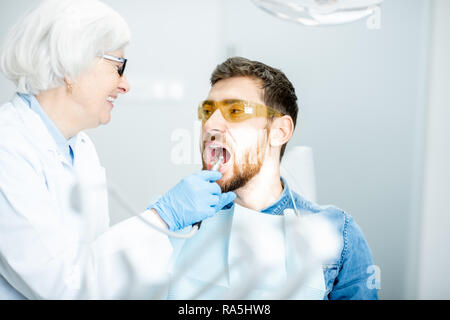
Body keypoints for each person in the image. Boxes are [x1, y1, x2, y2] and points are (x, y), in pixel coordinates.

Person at [0, 0, 235, 299]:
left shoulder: (80, 147)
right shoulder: (8, 148)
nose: (125, 85)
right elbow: (64, 285)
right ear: (70, 66)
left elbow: (98, 264)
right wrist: (162, 218)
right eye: (118, 66)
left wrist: (161, 226)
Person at [167, 57, 378, 300]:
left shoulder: (338, 233)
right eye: (207, 111)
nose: (210, 125)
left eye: (235, 111)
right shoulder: (177, 220)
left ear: (280, 131)